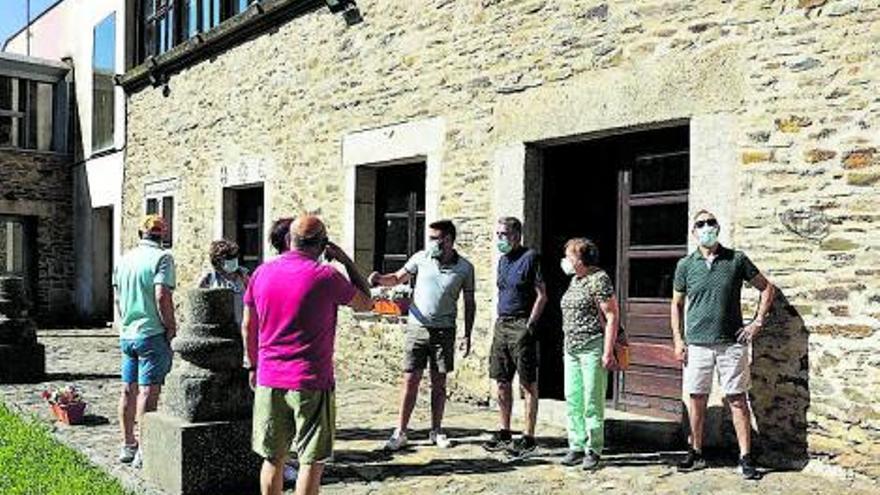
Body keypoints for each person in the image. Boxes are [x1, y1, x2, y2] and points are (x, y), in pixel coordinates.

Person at [242, 215, 373, 495]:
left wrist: (253, 365)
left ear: (290, 241)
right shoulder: (326, 277)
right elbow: (366, 303)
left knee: (272, 458)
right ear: (323, 244)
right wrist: (346, 261)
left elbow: (248, 326)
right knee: (310, 461)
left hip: (269, 377)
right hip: (311, 380)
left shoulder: (261, 273)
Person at [671, 210, 775, 480]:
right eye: (700, 224)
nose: (706, 227)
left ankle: (746, 457)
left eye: (711, 223)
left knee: (738, 399)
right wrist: (678, 340)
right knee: (696, 398)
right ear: (694, 232)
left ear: (718, 227)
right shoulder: (685, 265)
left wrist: (757, 322)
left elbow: (767, 288)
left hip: (731, 343)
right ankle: (695, 452)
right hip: (696, 344)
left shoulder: (736, 259)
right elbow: (677, 305)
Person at [369, 220, 476, 451]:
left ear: (447, 240)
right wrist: (379, 278)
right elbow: (397, 279)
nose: (430, 242)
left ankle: (436, 430)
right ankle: (401, 431)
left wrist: (467, 334)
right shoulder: (421, 258)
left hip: (444, 331)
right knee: (410, 380)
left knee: (439, 383)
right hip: (417, 329)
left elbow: (469, 302)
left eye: (434, 238)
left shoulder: (465, 268)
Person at [113, 214, 177, 468]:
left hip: (128, 333)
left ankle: (128, 444)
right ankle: (145, 449)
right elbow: (162, 295)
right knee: (148, 392)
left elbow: (117, 297)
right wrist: (170, 326)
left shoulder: (125, 259)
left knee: (128, 390)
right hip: (151, 333)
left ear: (141, 234)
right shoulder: (163, 258)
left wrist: (125, 322)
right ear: (162, 236)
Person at [483, 217, 548, 457]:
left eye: (505, 234)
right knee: (501, 380)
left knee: (527, 382)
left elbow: (542, 295)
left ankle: (528, 436)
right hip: (502, 324)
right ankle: (505, 430)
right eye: (498, 234)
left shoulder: (530, 258)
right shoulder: (502, 261)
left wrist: (529, 325)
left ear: (517, 235)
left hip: (521, 324)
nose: (500, 238)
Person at [555, 238, 619, 470]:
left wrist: (607, 351)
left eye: (569, 256)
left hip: (592, 346)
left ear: (581, 259)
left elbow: (611, 316)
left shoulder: (599, 279)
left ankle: (594, 448)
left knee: (592, 400)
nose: (566, 260)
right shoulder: (575, 280)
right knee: (573, 398)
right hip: (570, 349)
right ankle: (576, 444)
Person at [198, 239, 249, 328]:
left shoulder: (244, 276)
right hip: (220, 331)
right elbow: (200, 303)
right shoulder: (209, 278)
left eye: (234, 257)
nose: (233, 261)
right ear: (218, 261)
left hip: (242, 328)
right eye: (229, 258)